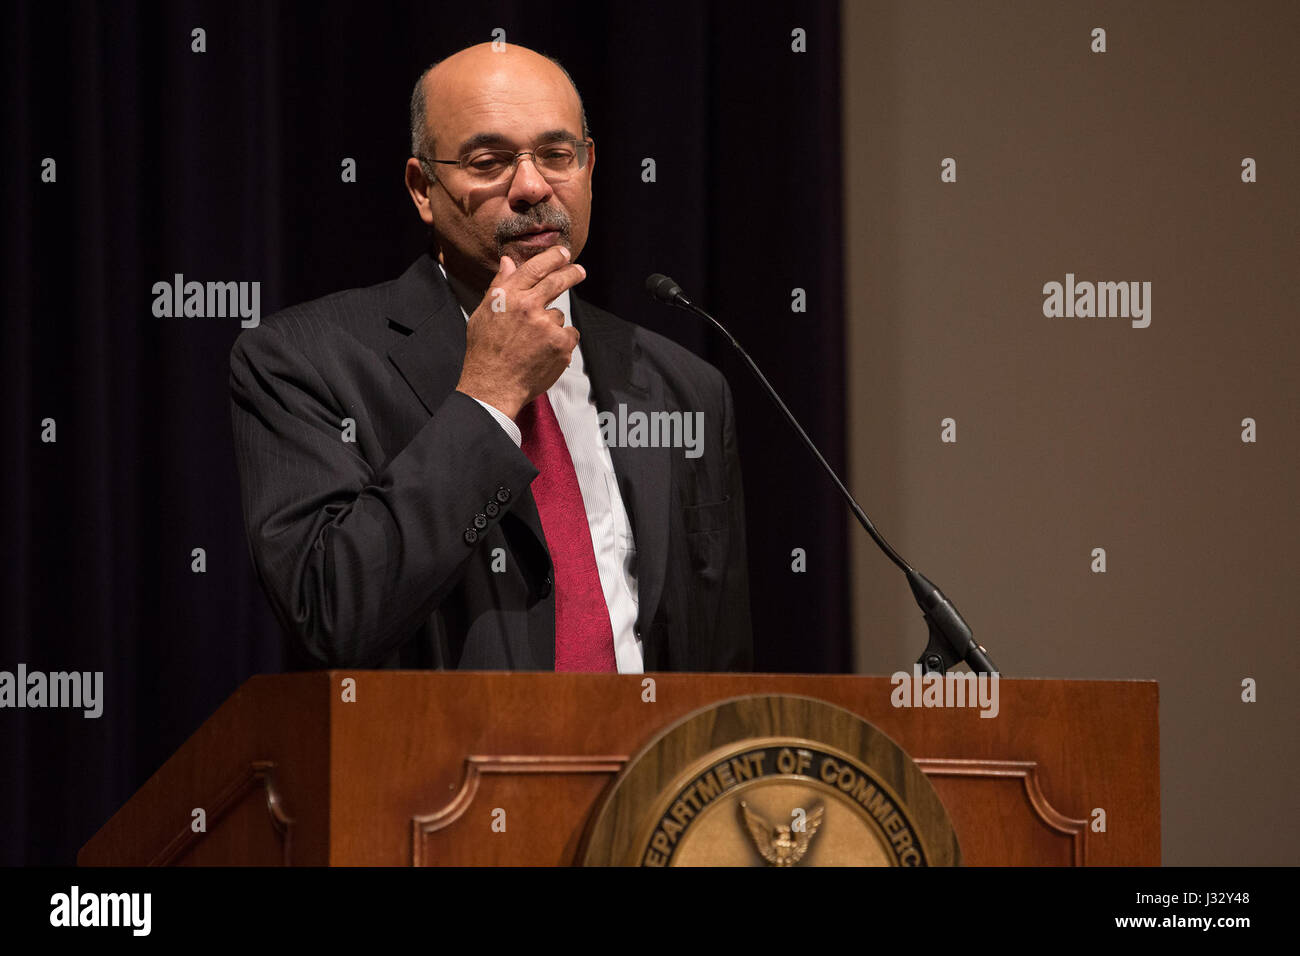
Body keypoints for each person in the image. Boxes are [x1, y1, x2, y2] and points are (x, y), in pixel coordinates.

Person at [229, 42, 752, 673]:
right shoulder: (304, 360)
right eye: (489, 161)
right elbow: (333, 611)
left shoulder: (683, 388)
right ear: (424, 188)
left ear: (589, 166)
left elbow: (721, 667)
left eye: (557, 156)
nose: (532, 187)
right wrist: (487, 396)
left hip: (647, 770)